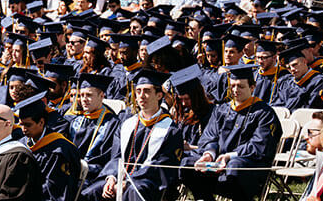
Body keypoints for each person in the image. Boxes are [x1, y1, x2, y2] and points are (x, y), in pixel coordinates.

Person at [182, 65, 282, 201]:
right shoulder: (222, 109)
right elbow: (210, 136)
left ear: (253, 88)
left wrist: (229, 156)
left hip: (248, 166)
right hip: (218, 163)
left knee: (235, 166)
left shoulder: (264, 113)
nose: (235, 90)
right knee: (187, 163)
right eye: (233, 85)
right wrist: (209, 154)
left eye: (240, 86)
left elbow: (260, 146)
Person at [100, 69, 181, 201]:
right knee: (94, 191)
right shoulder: (127, 124)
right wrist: (112, 178)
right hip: (122, 178)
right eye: (138, 91)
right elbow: (116, 156)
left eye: (147, 91)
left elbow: (162, 167)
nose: (141, 96)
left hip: (150, 183)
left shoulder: (170, 130)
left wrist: (128, 182)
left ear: (159, 95)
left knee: (134, 190)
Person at [15, 94, 81, 201]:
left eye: (28, 125)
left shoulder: (59, 150)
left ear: (41, 122)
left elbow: (54, 190)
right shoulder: (22, 143)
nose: (23, 129)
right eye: (21, 124)